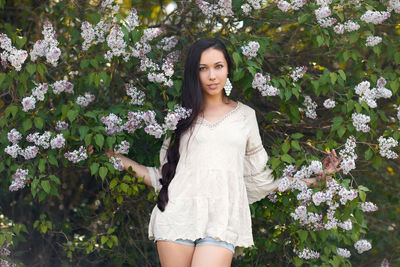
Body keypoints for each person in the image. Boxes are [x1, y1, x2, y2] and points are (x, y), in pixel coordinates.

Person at [88, 38, 341, 267]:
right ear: (194, 73)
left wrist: (313, 180)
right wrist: (116, 160)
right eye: (203, 68)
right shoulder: (180, 117)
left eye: (218, 66)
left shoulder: (245, 116)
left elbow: (262, 178)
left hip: (222, 221)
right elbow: (163, 177)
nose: (212, 76)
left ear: (228, 68)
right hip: (176, 216)